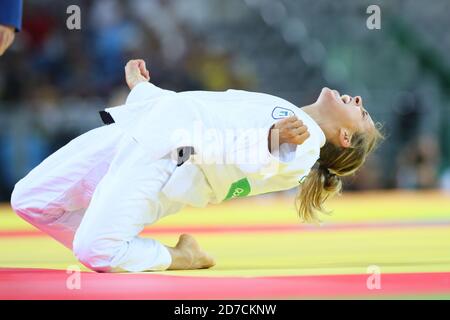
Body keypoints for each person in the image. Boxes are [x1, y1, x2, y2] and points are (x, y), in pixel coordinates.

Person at [10, 59, 382, 272]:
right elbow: (195, 109)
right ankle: (113, 230)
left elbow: (236, 163)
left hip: (167, 162)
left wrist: (271, 140)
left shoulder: (302, 148)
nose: (359, 99)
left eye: (361, 113)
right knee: (28, 199)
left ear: (345, 138)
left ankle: (179, 256)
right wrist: (142, 89)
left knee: (95, 252)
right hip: (135, 130)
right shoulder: (282, 108)